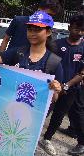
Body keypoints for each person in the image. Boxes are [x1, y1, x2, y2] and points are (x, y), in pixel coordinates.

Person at [39, 15, 84, 156]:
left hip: (70, 89)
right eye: (77, 29)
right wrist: (54, 84)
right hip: (50, 87)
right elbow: (46, 64)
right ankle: (31, 134)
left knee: (58, 116)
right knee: (42, 112)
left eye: (83, 30)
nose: (80, 32)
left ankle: (47, 139)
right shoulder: (57, 44)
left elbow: (82, 73)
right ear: (70, 28)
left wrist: (66, 86)